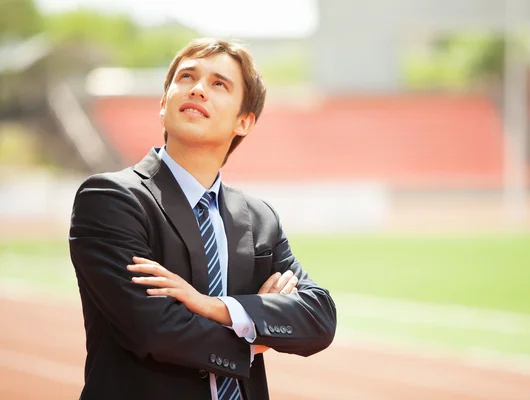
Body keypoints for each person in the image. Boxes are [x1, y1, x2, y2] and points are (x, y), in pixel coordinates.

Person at [69, 37, 337, 400]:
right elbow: (155, 330)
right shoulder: (112, 199)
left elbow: (318, 317)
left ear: (244, 121)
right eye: (187, 77)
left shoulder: (259, 219)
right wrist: (255, 335)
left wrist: (213, 306)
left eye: (218, 84)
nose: (197, 89)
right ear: (163, 104)